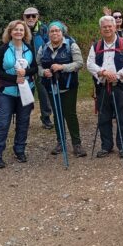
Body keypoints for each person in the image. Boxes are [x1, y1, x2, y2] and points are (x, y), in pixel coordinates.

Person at [0, 20, 38, 168]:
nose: (18, 32)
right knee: (3, 123)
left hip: (26, 90)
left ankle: (19, 150)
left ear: (25, 33)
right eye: (15, 30)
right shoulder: (3, 49)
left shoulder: (29, 48)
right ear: (10, 32)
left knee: (23, 122)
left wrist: (26, 72)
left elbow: (35, 68)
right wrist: (13, 78)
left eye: (21, 30)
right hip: (7, 91)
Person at [87, 16, 123, 157]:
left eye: (110, 26)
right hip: (102, 87)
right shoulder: (96, 46)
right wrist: (102, 72)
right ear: (100, 29)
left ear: (115, 27)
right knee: (103, 118)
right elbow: (90, 64)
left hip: (120, 86)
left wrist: (118, 75)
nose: (107, 29)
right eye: (104, 27)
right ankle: (106, 146)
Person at [39, 21, 87, 157]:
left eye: (57, 31)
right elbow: (38, 65)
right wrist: (43, 72)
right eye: (52, 31)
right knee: (57, 114)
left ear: (62, 32)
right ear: (48, 33)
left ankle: (77, 144)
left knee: (70, 114)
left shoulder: (71, 45)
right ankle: (61, 142)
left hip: (68, 86)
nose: (54, 33)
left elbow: (79, 63)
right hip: (51, 86)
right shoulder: (43, 47)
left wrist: (62, 67)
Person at [22, 7, 53, 130]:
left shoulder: (44, 29)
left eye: (33, 16)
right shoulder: (20, 29)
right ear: (24, 17)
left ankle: (46, 118)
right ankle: (24, 120)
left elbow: (50, 45)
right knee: (25, 93)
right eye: (28, 16)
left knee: (44, 93)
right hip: (25, 67)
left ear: (38, 16)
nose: (31, 18)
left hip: (41, 66)